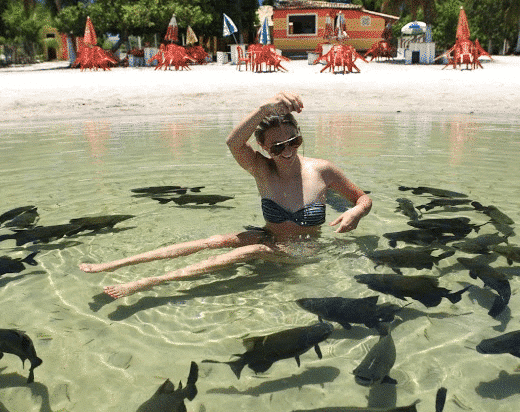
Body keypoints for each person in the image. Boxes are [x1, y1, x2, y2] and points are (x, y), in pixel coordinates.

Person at [79, 91, 372, 298]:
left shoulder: (322, 170)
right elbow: (233, 142)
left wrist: (356, 211)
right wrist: (264, 108)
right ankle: (115, 264)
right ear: (263, 147)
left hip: (303, 250)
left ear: (300, 135)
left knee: (251, 251)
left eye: (293, 141)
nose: (287, 150)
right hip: (268, 236)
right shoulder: (261, 168)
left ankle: (151, 282)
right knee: (214, 241)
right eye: (277, 146)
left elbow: (363, 199)